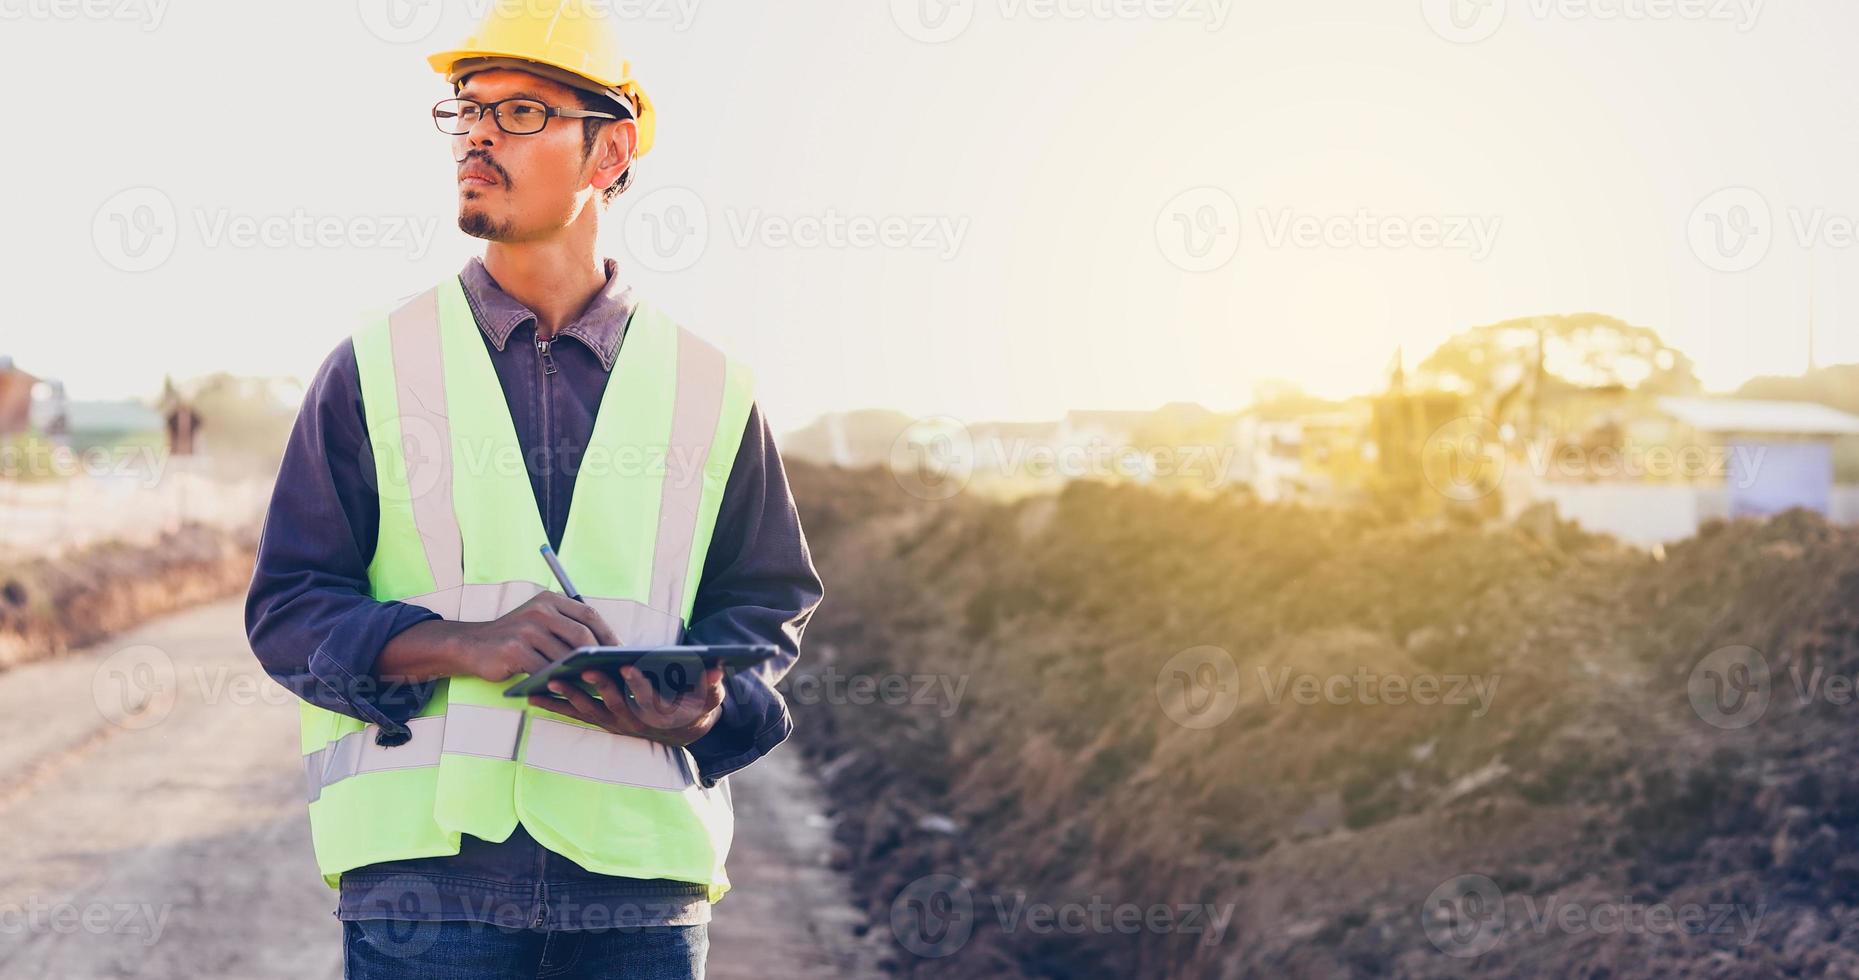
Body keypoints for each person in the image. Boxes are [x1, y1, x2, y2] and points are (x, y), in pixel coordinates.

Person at [244, 3, 824, 976]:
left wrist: (706, 712)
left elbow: (765, 611)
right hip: (429, 890)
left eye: (519, 112)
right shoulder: (375, 365)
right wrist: (463, 643)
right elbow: (291, 605)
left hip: (639, 889)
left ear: (610, 152)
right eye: (465, 110)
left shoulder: (710, 387)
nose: (475, 133)